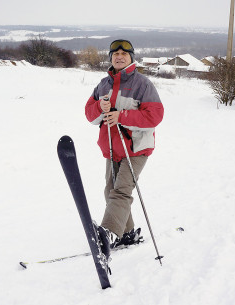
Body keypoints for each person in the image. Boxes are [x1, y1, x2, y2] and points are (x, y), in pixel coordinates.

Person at [84, 39, 164, 259]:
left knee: (121, 191)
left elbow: (154, 116)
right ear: (111, 58)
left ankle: (108, 233)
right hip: (112, 148)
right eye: (115, 54)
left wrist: (122, 116)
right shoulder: (103, 85)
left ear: (131, 58)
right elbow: (89, 115)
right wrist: (100, 107)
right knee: (110, 191)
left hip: (136, 149)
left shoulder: (143, 84)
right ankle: (127, 233)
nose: (119, 57)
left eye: (124, 54)